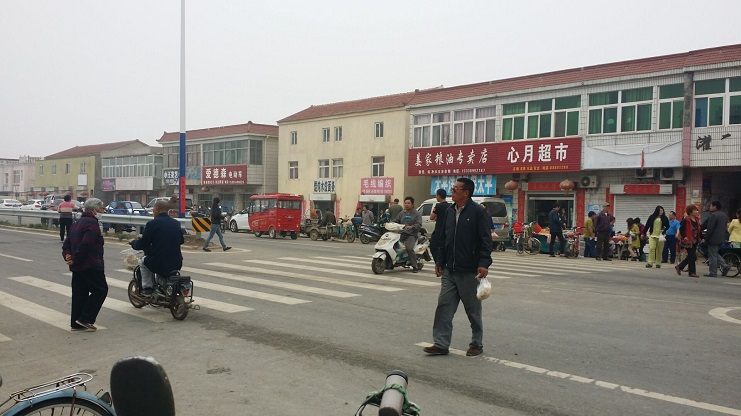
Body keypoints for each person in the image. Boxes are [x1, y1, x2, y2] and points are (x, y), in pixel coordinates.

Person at [424, 178, 492, 357]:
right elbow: (443, 238)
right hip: (449, 269)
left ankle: (476, 343)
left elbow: (486, 239)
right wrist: (439, 261)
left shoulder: (477, 212)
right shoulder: (449, 211)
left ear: (466, 193)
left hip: (469, 270)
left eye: (455, 189)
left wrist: (484, 263)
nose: (452, 191)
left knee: (473, 310)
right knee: (444, 306)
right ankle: (441, 343)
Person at [61, 198, 108, 332]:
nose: (102, 211)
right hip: (90, 264)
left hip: (78, 266)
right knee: (100, 290)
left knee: (79, 294)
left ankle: (76, 323)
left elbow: (67, 244)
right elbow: (86, 245)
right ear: (93, 210)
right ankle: (86, 318)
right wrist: (75, 259)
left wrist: (68, 255)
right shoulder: (92, 224)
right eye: (101, 209)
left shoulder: (77, 223)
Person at [129, 200, 184, 296]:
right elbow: (181, 240)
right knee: (160, 265)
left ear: (157, 210)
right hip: (176, 262)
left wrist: (133, 242)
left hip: (158, 261)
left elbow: (142, 244)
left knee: (143, 262)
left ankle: (147, 288)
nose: (153, 212)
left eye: (153, 210)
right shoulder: (176, 223)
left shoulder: (152, 224)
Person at [394, 196, 422, 272]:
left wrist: (412, 227)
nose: (406, 205)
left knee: (409, 248)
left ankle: (415, 266)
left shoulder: (417, 214)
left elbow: (419, 224)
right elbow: (396, 220)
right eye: (405, 203)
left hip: (411, 235)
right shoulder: (402, 213)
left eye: (408, 203)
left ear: (412, 204)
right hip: (401, 234)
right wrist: (390, 223)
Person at [704, 200, 730, 277]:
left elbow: (710, 228)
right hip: (721, 238)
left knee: (712, 256)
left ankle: (713, 272)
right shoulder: (724, 215)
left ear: (715, 206)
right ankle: (725, 266)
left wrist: (706, 238)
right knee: (714, 254)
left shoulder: (714, 215)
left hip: (713, 238)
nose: (710, 207)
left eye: (711, 206)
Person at [676, 205, 701, 278]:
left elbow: (699, 230)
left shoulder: (697, 220)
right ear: (690, 212)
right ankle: (692, 272)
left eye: (697, 210)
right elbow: (681, 229)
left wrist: (702, 237)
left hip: (695, 241)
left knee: (692, 256)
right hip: (688, 241)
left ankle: (680, 266)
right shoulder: (686, 220)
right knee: (692, 256)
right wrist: (684, 237)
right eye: (695, 210)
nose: (696, 212)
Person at [429, 189, 450, 264]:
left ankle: (438, 263)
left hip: (438, 230)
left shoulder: (438, 206)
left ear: (438, 196)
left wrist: (437, 217)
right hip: (447, 230)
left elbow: (431, 217)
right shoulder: (450, 206)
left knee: (433, 247)